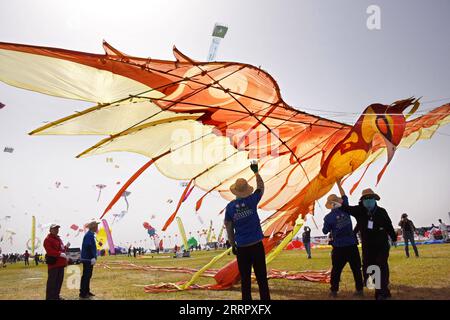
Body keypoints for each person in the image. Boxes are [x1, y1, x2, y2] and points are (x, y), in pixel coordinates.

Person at [337, 181, 397, 300]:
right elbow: (345, 207)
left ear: (375, 199)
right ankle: (381, 289)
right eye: (366, 198)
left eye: (371, 198)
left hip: (381, 244)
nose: (368, 200)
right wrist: (339, 186)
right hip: (368, 246)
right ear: (362, 200)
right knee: (370, 268)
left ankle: (381, 292)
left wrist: (394, 238)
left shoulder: (381, 212)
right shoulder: (359, 211)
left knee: (380, 266)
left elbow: (389, 225)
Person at [224, 161, 270, 301]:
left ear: (235, 191)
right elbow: (261, 187)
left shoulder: (230, 207)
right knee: (262, 277)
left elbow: (228, 226)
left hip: (242, 248)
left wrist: (233, 244)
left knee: (245, 279)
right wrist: (256, 173)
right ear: (246, 190)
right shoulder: (252, 200)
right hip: (256, 245)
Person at [322, 193, 364, 297]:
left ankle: (334, 291)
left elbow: (325, 231)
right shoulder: (346, 209)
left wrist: (329, 224)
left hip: (339, 247)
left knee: (336, 270)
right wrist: (338, 183)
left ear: (331, 205)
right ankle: (359, 290)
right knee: (356, 269)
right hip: (351, 245)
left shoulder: (328, 217)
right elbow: (344, 196)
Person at [43, 224, 69, 300]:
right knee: (52, 283)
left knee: (58, 282)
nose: (56, 230)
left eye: (57, 229)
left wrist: (66, 247)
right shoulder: (48, 239)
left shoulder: (59, 239)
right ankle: (50, 298)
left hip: (61, 264)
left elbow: (62, 249)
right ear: (50, 230)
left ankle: (56, 296)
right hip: (54, 265)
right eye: (54, 229)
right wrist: (59, 254)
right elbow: (49, 251)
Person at [79, 219, 99, 299]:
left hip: (89, 259)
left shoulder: (90, 234)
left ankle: (86, 291)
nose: (97, 227)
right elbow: (89, 246)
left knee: (88, 276)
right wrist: (92, 257)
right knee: (86, 276)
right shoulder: (89, 235)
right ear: (93, 227)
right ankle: (83, 293)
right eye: (96, 226)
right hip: (88, 259)